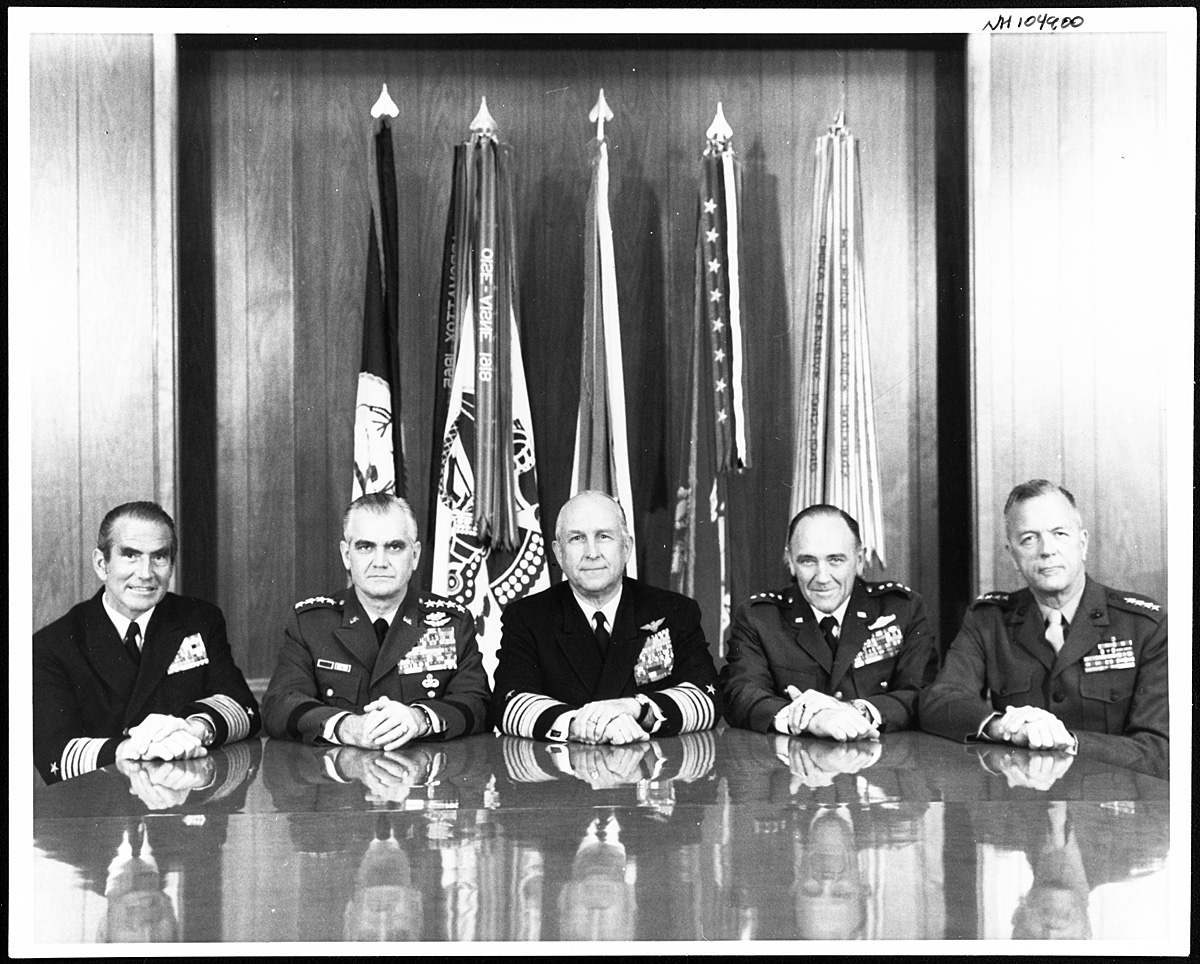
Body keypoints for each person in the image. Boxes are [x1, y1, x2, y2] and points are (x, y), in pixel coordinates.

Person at [921, 479, 1168, 778]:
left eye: (1059, 534)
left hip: (1112, 804)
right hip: (1023, 806)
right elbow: (939, 701)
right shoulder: (989, 620)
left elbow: (1160, 751)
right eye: (1028, 539)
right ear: (1012, 555)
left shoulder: (1145, 626)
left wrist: (1070, 743)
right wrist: (1003, 726)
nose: (1046, 550)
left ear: (1083, 542)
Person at [33, 502, 260, 785]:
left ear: (172, 565)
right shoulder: (53, 645)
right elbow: (53, 752)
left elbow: (243, 707)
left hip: (186, 797)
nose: (145, 573)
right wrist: (132, 750)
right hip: (103, 809)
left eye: (159, 558)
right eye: (130, 555)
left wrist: (193, 728)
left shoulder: (200, 620)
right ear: (102, 564)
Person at [263, 493, 490, 747]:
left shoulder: (452, 622)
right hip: (339, 779)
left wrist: (420, 718)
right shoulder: (311, 624)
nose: (380, 562)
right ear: (346, 555)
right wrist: (346, 726)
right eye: (365, 547)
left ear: (414, 556)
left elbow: (478, 703)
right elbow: (279, 705)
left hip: (424, 777)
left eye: (394, 547)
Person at [493, 490, 720, 743]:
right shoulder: (527, 618)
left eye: (603, 536)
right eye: (577, 538)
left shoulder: (673, 611)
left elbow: (706, 698)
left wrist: (636, 709)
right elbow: (509, 703)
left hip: (652, 770)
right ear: (559, 553)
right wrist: (576, 725)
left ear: (626, 547)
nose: (592, 552)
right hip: (566, 773)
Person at [720, 504, 938, 739]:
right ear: (790, 561)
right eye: (807, 561)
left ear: (859, 559)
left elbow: (923, 692)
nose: (822, 577)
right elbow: (740, 694)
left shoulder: (902, 609)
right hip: (794, 765)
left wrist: (855, 712)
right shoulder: (760, 618)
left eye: (835, 560)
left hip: (880, 763)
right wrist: (807, 718)